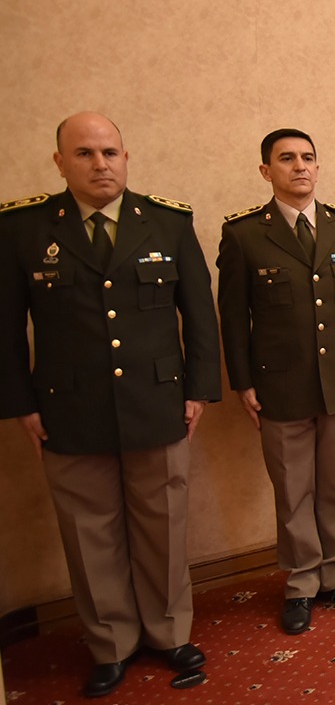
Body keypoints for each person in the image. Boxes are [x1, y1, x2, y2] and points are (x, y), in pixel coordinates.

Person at [0, 112, 221, 697]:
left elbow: (199, 312)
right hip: (68, 409)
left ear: (126, 157)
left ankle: (168, 632)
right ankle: (111, 644)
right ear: (59, 163)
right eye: (85, 154)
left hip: (158, 403)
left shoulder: (168, 222)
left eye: (110, 152)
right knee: (88, 531)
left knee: (164, 526)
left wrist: (199, 389)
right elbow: (3, 326)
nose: (100, 164)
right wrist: (20, 402)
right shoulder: (23, 229)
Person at [217, 128, 335, 634]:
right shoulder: (244, 234)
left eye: (308, 157)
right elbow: (233, 317)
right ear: (267, 171)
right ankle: (302, 583)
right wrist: (242, 381)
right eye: (286, 159)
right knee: (293, 490)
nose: (300, 167)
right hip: (279, 384)